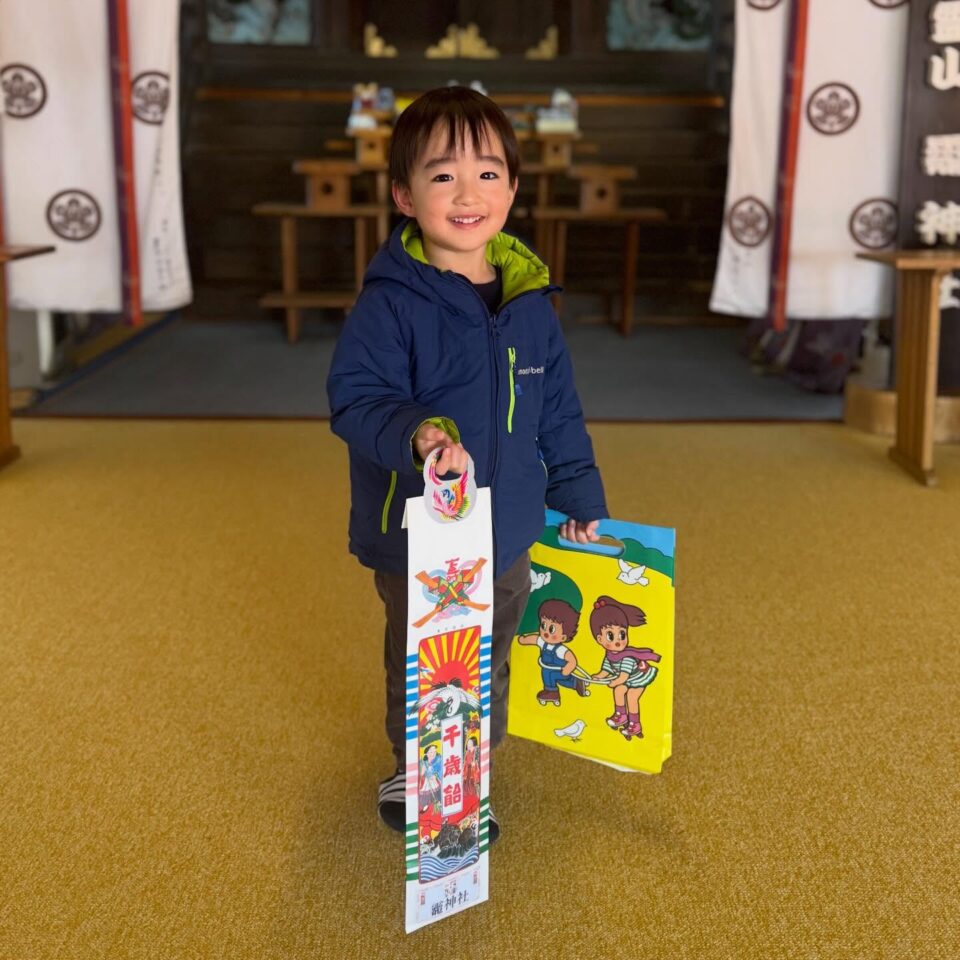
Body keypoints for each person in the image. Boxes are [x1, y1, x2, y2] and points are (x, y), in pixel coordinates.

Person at [326, 85, 608, 840]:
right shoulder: (390, 304)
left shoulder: (529, 303)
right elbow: (355, 399)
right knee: (428, 659)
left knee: (493, 657)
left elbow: (558, 413)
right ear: (404, 195)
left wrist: (581, 497)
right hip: (420, 535)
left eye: (488, 174)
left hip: (508, 528)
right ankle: (413, 768)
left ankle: (473, 767)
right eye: (443, 174)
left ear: (513, 190)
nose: (467, 192)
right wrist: (420, 434)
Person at [589, 596, 661, 739]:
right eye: (611, 636)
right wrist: (598, 676)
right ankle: (621, 715)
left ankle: (635, 724)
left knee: (631, 696)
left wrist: (613, 681)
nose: (618, 641)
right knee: (618, 691)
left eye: (622, 634)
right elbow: (606, 669)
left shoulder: (627, 656)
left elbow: (623, 676)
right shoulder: (609, 654)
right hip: (628, 679)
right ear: (599, 639)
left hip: (640, 677)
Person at [516, 597, 590, 705]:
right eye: (543, 625)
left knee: (550, 675)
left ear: (563, 637)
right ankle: (576, 683)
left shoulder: (560, 649)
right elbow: (534, 639)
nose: (546, 632)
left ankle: (552, 692)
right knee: (559, 680)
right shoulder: (542, 641)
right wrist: (523, 640)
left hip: (559, 670)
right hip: (551, 669)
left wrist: (568, 668)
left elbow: (572, 660)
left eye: (552, 629)